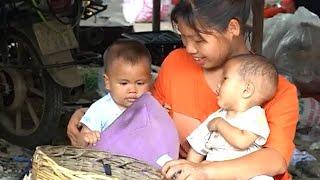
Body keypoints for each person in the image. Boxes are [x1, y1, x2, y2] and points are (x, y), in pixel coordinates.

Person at [67, 0, 299, 179]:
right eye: (184, 38)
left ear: (232, 28)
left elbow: (275, 159)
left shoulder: (276, 90)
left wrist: (203, 171)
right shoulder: (177, 63)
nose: (189, 49)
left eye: (199, 40)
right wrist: (91, 120)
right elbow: (142, 112)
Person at [187, 54, 278, 180]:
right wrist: (190, 168)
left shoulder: (255, 115)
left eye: (224, 79)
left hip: (244, 174)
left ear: (246, 90)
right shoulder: (216, 116)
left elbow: (242, 142)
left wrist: (220, 124)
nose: (218, 85)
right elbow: (197, 148)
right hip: (213, 172)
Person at [79, 39, 152, 146]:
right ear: (108, 82)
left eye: (140, 83)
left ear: (149, 81)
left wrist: (161, 113)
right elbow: (80, 141)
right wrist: (88, 136)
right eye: (124, 83)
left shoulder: (147, 106)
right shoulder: (100, 109)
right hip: (108, 160)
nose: (132, 90)